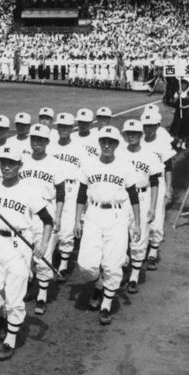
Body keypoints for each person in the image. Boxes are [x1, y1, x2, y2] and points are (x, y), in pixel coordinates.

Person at [0, 144, 53, 360]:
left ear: (20, 165)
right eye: (3, 162)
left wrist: (44, 244)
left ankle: (10, 340)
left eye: (11, 163)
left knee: (15, 294)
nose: (6, 167)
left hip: (18, 244)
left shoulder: (29, 190)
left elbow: (47, 219)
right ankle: (5, 312)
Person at [74, 126, 141, 326]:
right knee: (86, 265)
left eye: (111, 142)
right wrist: (77, 219)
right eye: (103, 141)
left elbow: (134, 196)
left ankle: (106, 305)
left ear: (117, 145)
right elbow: (80, 194)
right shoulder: (89, 164)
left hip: (117, 215)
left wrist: (136, 223)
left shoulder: (125, 166)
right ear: (99, 143)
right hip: (93, 213)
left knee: (113, 263)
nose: (106, 145)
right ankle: (99, 284)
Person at [19, 123, 65, 314]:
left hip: (46, 210)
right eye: (33, 139)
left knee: (43, 254)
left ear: (47, 141)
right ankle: (28, 284)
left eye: (40, 140)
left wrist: (59, 217)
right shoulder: (22, 161)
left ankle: (42, 296)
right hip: (25, 212)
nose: (36, 143)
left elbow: (61, 194)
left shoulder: (55, 164)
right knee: (24, 252)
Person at [120, 119, 161, 294]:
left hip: (142, 197)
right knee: (120, 236)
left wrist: (153, 207)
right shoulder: (119, 153)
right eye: (128, 133)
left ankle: (134, 277)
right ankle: (118, 269)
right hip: (122, 198)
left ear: (140, 135)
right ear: (124, 135)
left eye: (134, 133)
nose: (131, 136)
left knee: (140, 237)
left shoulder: (149, 155)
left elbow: (154, 182)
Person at [49, 112, 86, 281]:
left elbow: (85, 173)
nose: (63, 129)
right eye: (60, 126)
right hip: (52, 188)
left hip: (72, 188)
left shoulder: (79, 148)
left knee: (67, 226)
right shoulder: (50, 146)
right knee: (49, 222)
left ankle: (63, 263)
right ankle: (47, 256)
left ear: (72, 128)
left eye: (66, 126)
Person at [140, 108, 176, 270]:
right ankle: (139, 245)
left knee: (156, 217)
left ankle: (153, 250)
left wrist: (168, 188)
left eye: (151, 126)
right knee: (138, 216)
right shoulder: (137, 141)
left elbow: (168, 167)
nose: (147, 129)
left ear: (157, 126)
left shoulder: (162, 143)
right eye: (145, 125)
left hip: (159, 183)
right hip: (141, 183)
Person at [170, 77, 189, 150]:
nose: (183, 85)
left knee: (185, 126)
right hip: (179, 112)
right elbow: (174, 102)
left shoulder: (188, 92)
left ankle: (184, 142)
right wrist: (178, 95)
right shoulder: (178, 92)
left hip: (187, 112)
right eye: (182, 83)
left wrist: (184, 106)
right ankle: (179, 141)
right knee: (178, 126)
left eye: (185, 84)